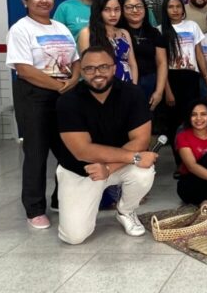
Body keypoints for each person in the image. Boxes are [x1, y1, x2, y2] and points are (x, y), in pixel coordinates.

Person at [55, 46, 158, 244]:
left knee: (144, 172)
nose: (97, 74)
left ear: (114, 68)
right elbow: (82, 151)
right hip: (82, 170)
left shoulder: (133, 94)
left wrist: (109, 168)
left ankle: (125, 211)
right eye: (90, 69)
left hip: (115, 166)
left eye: (103, 67)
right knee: (74, 237)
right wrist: (134, 157)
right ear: (81, 72)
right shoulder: (68, 101)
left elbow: (141, 140)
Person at [7, 0, 81, 229]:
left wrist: (71, 81)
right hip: (35, 96)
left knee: (68, 150)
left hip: (64, 93)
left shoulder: (60, 27)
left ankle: (60, 199)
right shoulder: (21, 29)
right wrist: (57, 86)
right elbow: (24, 70)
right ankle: (34, 209)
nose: (43, 0)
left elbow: (76, 60)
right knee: (36, 153)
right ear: (25, 1)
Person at [158, 0, 207, 166]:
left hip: (191, 78)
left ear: (183, 8)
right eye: (170, 7)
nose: (175, 10)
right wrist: (167, 90)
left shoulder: (192, 26)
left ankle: (194, 161)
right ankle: (180, 163)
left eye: (178, 6)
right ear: (165, 10)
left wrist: (206, 77)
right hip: (171, 79)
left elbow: (199, 54)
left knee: (192, 120)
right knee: (174, 124)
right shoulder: (160, 30)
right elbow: (161, 64)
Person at [118, 0, 167, 110]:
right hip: (124, 83)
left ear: (145, 9)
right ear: (122, 10)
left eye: (139, 6)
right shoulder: (117, 32)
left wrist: (159, 92)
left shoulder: (154, 33)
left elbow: (162, 63)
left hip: (150, 83)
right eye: (129, 7)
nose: (135, 10)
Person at [77, 0, 138, 84]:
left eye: (117, 9)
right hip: (101, 86)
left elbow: (132, 64)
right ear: (98, 11)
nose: (113, 14)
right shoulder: (87, 33)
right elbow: (86, 65)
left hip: (126, 85)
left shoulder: (124, 33)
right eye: (107, 10)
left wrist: (134, 87)